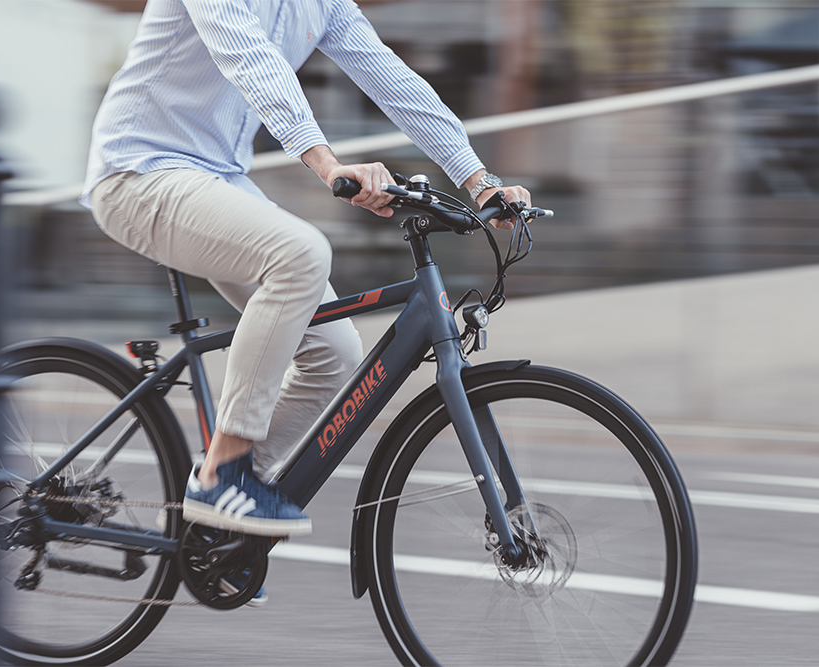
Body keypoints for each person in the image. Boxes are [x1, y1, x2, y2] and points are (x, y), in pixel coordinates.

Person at [81, 0, 532, 546]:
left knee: (336, 354)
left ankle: (218, 520)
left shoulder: (324, 4)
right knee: (300, 253)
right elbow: (249, 59)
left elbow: (392, 80)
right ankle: (220, 472)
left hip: (217, 178)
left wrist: (479, 181)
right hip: (138, 172)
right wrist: (328, 164)